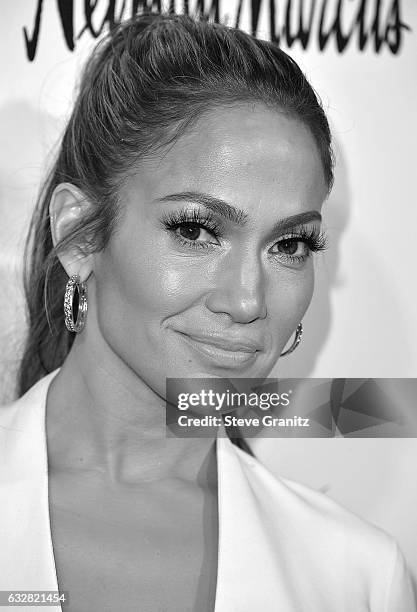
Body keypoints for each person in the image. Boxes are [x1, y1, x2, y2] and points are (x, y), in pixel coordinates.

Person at [0, 12, 415, 612]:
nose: (248, 301)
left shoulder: (357, 576)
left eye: (289, 245)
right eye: (196, 230)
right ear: (79, 236)